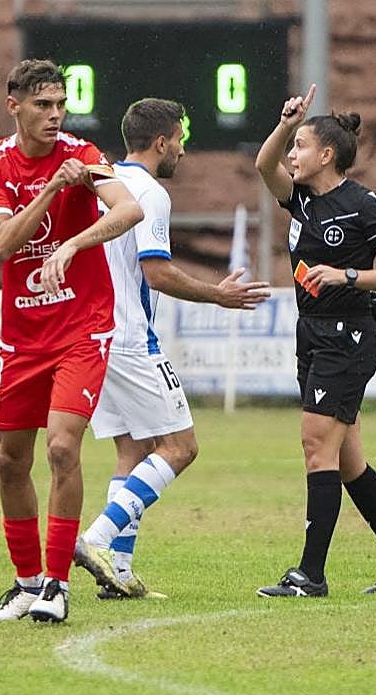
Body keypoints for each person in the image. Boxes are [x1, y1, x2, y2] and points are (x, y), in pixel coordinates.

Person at [72, 98, 270, 599]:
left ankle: (117, 574)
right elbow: (156, 272)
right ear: (161, 142)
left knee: (133, 451)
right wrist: (218, 295)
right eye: (180, 139)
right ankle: (96, 538)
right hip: (130, 339)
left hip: (93, 337)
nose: (183, 149)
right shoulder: (149, 194)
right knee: (181, 447)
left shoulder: (103, 182)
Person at [0, 59, 142, 624]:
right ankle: (25, 585)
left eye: (60, 104)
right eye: (43, 105)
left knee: (63, 448)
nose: (55, 115)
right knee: (9, 460)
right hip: (23, 337)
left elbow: (130, 208)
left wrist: (73, 244)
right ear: (14, 106)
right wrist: (50, 190)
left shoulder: (82, 153)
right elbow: (1, 244)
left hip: (82, 328)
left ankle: (56, 584)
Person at [253, 84, 376, 597]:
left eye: (300, 146)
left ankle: (310, 575)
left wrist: (349, 276)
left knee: (316, 446)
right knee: (348, 461)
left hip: (348, 336)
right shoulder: (301, 200)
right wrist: (285, 124)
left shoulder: (362, 204)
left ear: (326, 155)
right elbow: (264, 165)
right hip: (313, 334)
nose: (292, 155)